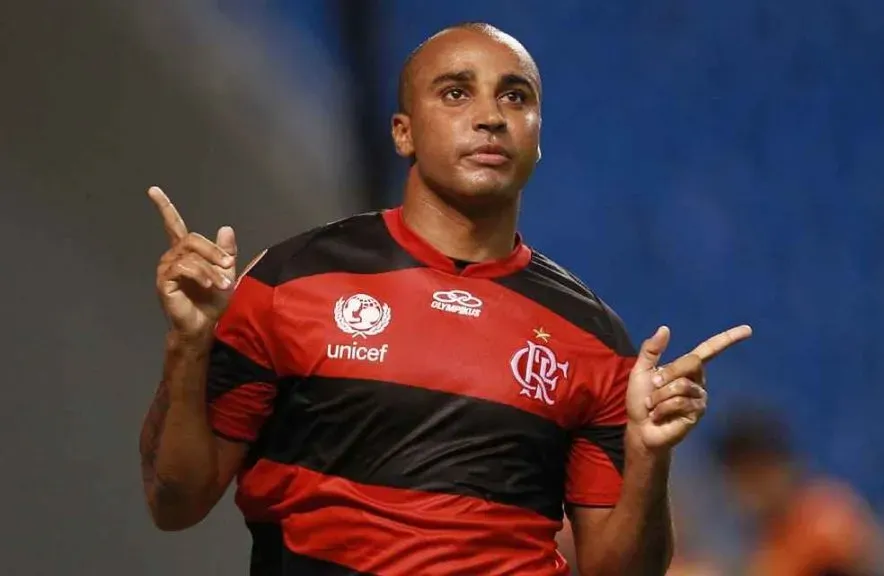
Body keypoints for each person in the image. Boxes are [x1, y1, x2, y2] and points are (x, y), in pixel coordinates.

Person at [139, 22, 752, 576]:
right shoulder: (290, 281)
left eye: (515, 96)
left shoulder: (593, 339)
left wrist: (649, 458)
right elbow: (176, 501)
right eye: (457, 93)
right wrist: (188, 346)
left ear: (537, 138)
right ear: (403, 133)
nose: (491, 116)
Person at [712, 409, 880, 576]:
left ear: (782, 467)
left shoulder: (827, 519)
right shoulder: (757, 537)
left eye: (755, 473)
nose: (748, 490)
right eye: (738, 476)